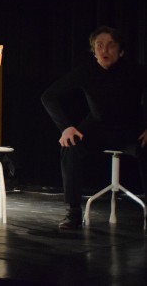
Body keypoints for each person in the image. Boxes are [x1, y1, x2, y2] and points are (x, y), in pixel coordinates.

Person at [41, 26, 147, 230]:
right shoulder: (85, 71)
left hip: (130, 130)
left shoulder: (136, 71)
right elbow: (48, 96)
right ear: (94, 50)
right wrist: (66, 127)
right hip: (97, 128)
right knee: (70, 146)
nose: (105, 50)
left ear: (121, 51)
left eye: (111, 46)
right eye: (99, 46)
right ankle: (73, 211)